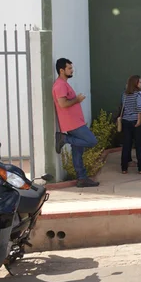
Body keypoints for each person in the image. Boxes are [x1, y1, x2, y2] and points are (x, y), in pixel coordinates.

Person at [53, 58, 99, 188]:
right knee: (92, 141)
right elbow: (62, 104)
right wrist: (77, 100)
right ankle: (64, 139)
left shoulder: (64, 83)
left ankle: (82, 178)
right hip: (73, 124)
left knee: (77, 151)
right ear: (62, 70)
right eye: (69, 68)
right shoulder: (60, 85)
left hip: (75, 122)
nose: (72, 70)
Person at [120, 75, 141, 174]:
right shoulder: (139, 94)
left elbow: (123, 107)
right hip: (136, 120)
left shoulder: (124, 94)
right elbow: (140, 108)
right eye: (139, 82)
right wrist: (139, 120)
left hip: (126, 121)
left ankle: (124, 168)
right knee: (139, 145)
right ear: (135, 83)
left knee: (126, 145)